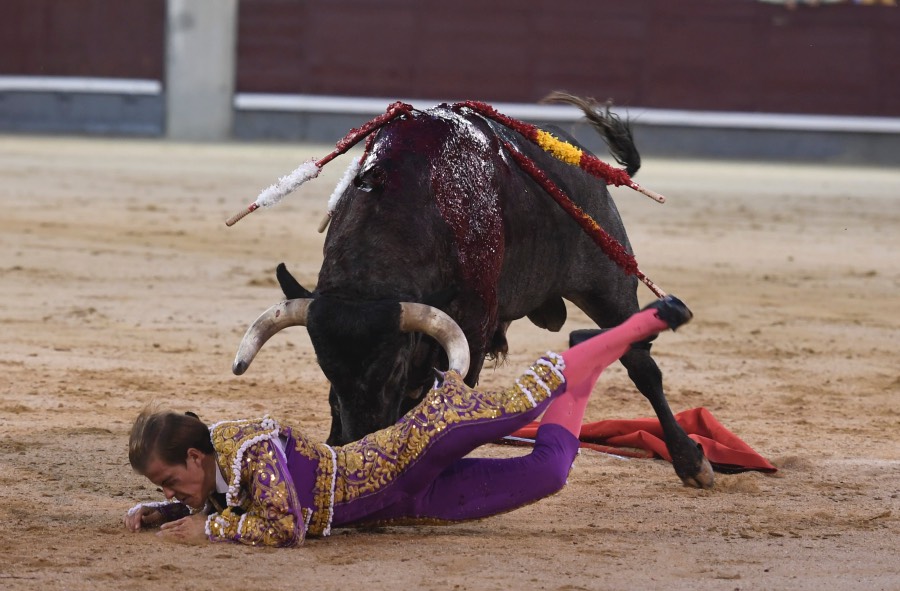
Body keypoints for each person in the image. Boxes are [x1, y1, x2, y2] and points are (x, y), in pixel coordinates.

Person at [124, 296, 692, 546]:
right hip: (410, 504)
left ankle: (641, 323)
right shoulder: (215, 470)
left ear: (195, 457)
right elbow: (216, 499)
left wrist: (212, 528)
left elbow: (283, 527)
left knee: (524, 401)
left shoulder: (248, 446)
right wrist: (163, 511)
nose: (177, 493)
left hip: (411, 448)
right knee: (548, 475)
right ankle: (588, 359)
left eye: (170, 481)